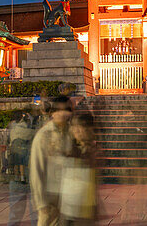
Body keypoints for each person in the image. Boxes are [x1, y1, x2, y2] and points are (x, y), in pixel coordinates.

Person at [29, 96, 74, 226]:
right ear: (53, 112)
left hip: (66, 197)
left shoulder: (70, 133)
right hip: (49, 199)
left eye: (68, 110)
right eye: (61, 110)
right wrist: (41, 202)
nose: (65, 114)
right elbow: (36, 169)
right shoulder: (44, 135)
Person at [62, 112, 98, 225]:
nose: (76, 130)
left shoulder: (91, 150)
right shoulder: (71, 149)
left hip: (83, 209)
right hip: (70, 208)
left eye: (79, 126)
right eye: (73, 126)